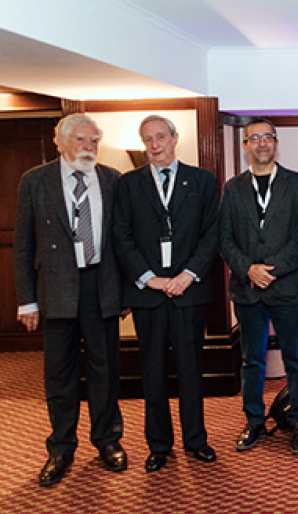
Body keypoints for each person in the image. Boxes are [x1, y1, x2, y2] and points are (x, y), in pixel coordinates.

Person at [13, 114, 127, 486]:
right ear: (60, 142)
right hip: (56, 288)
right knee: (59, 374)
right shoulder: (35, 180)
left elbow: (124, 241)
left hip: (102, 286)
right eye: (80, 139)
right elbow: (23, 245)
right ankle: (61, 448)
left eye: (94, 140)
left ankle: (107, 440)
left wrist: (125, 291)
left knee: (105, 369)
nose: (88, 147)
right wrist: (26, 300)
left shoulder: (112, 179)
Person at [112, 115, 219, 473]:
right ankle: (158, 445)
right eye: (148, 139)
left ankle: (196, 440)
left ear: (175, 138)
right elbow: (121, 236)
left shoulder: (202, 180)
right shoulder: (128, 184)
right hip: (149, 295)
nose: (155, 144)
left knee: (191, 370)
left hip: (189, 291)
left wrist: (188, 275)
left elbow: (211, 233)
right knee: (152, 372)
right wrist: (149, 278)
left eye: (160, 136)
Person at [219, 118, 298, 455]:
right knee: (252, 360)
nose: (261, 143)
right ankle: (254, 421)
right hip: (247, 290)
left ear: (276, 142)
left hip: (287, 287)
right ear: (245, 145)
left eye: (267, 137)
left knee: (296, 358)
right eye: (254, 137)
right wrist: (248, 269)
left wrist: (268, 270)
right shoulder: (232, 188)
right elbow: (224, 238)